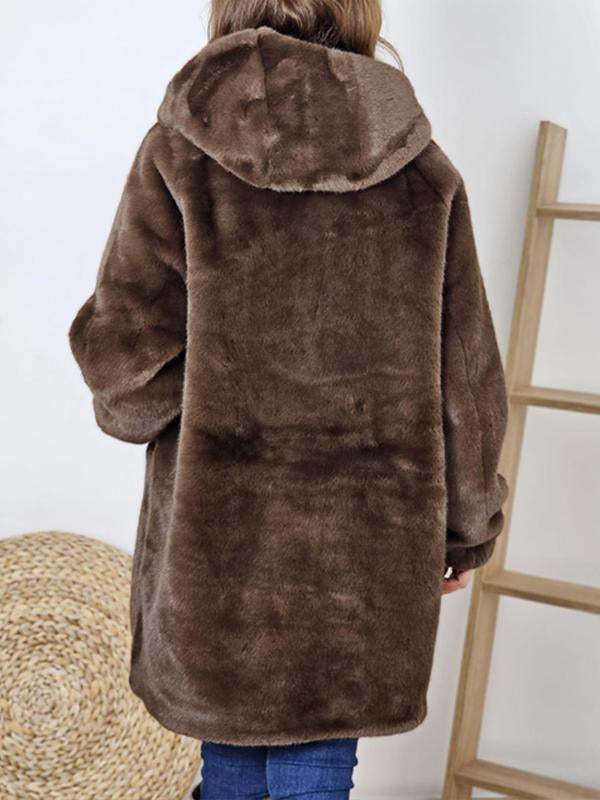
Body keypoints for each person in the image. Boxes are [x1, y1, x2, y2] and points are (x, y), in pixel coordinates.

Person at [68, 0, 509, 797]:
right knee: (318, 772)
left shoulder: (180, 152)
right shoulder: (422, 170)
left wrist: (207, 403)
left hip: (217, 550)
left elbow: (124, 371)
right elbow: (468, 380)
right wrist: (468, 527)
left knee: (229, 767)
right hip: (365, 557)